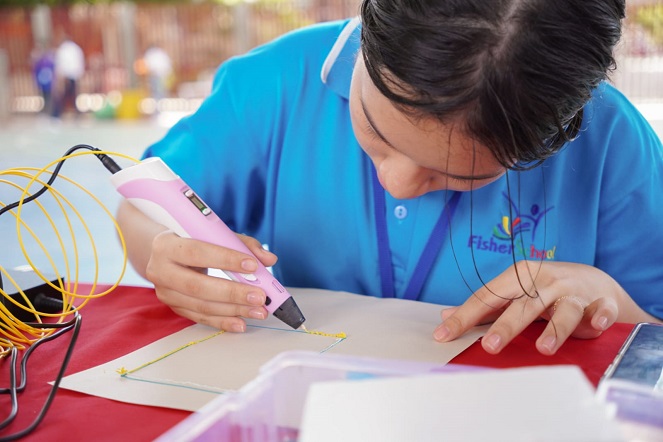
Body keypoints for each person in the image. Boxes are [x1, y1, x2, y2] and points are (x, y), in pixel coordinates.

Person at [117, 0, 663, 356]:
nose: (397, 183)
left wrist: (608, 295)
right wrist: (161, 251)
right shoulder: (272, 84)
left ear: (550, 139)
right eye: (377, 129)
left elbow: (656, 325)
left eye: (454, 174)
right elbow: (143, 205)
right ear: (366, 45)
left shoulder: (612, 143)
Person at [52, 35, 85, 118]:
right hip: (74, 75)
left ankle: (57, 114)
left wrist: (60, 76)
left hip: (66, 75)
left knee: (62, 95)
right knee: (73, 94)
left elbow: (60, 64)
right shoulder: (76, 48)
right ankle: (77, 113)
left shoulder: (63, 49)